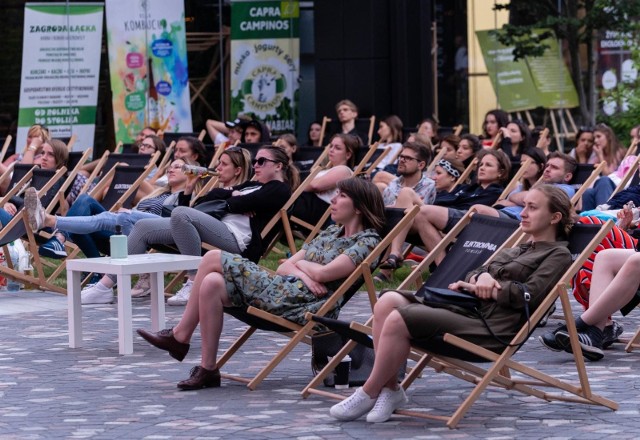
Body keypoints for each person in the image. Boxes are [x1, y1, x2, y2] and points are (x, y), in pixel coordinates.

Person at [330, 184, 573, 423]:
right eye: (524, 206)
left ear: (555, 217)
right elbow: (474, 272)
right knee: (388, 300)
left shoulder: (557, 255)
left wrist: (490, 287)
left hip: (489, 327)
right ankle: (391, 389)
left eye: (532, 208)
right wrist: (481, 278)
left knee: (398, 318)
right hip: (466, 309)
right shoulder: (519, 247)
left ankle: (368, 391)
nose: (522, 213)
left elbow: (528, 295)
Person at [136, 177, 386, 391]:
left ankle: (180, 336)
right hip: (285, 288)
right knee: (211, 281)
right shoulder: (331, 233)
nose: (332, 200)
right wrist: (308, 274)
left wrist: (306, 271)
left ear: (359, 207)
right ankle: (208, 369)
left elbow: (327, 274)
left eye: (341, 196)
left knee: (213, 257)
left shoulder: (367, 242)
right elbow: (284, 266)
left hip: (303, 303)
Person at [80, 146, 296, 306]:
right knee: (144, 225)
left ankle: (193, 282)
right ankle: (105, 287)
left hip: (235, 240)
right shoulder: (253, 185)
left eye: (262, 162)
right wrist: (232, 196)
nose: (256, 165)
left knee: (181, 213)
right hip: (213, 227)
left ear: (278, 166)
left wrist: (233, 200)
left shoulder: (278, 189)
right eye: (255, 161)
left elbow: (237, 202)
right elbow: (213, 199)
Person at [38, 136, 208, 260]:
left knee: (93, 217)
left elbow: (175, 223)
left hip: (138, 237)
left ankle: (56, 231)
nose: (171, 169)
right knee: (84, 200)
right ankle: (89, 265)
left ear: (190, 172)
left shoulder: (187, 198)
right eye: (170, 166)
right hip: (122, 228)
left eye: (178, 167)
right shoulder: (158, 193)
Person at [407, 149, 511, 266]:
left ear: (500, 172)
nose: (481, 168)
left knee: (419, 211)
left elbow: (468, 208)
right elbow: (444, 200)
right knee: (406, 206)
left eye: (488, 165)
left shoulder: (495, 192)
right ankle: (391, 262)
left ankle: (441, 266)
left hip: (468, 224)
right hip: (449, 218)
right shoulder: (469, 188)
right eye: (481, 164)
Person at [472, 150, 576, 221]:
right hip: (502, 214)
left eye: (554, 167)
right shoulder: (526, 187)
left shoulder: (566, 190)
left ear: (567, 176)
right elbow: (509, 199)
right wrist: (524, 202)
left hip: (515, 220)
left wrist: (518, 201)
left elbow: (532, 200)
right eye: (547, 165)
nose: (548, 169)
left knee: (477, 210)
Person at [289, 134, 358, 229]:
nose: (331, 150)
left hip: (316, 211)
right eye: (331, 146)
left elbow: (315, 185)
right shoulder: (326, 170)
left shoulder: (344, 170)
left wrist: (299, 185)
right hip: (306, 204)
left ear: (348, 154)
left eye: (337, 148)